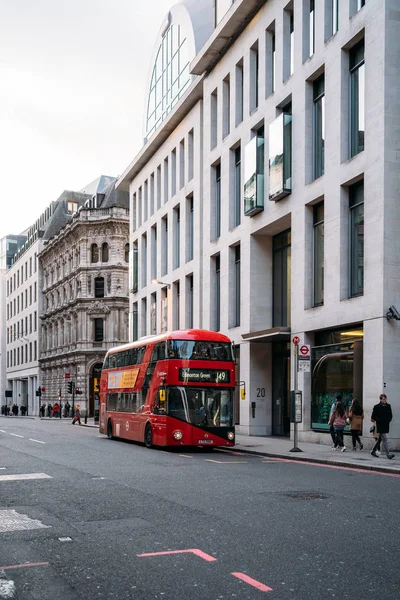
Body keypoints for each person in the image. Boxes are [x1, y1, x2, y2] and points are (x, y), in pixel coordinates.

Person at [371, 394, 395, 459]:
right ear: (380, 399)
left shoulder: (388, 406)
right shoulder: (376, 407)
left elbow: (390, 415)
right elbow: (373, 416)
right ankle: (388, 454)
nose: (385, 400)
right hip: (380, 425)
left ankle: (373, 451)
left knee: (380, 439)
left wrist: (388, 420)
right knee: (384, 439)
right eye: (383, 399)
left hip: (386, 424)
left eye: (385, 399)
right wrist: (379, 420)